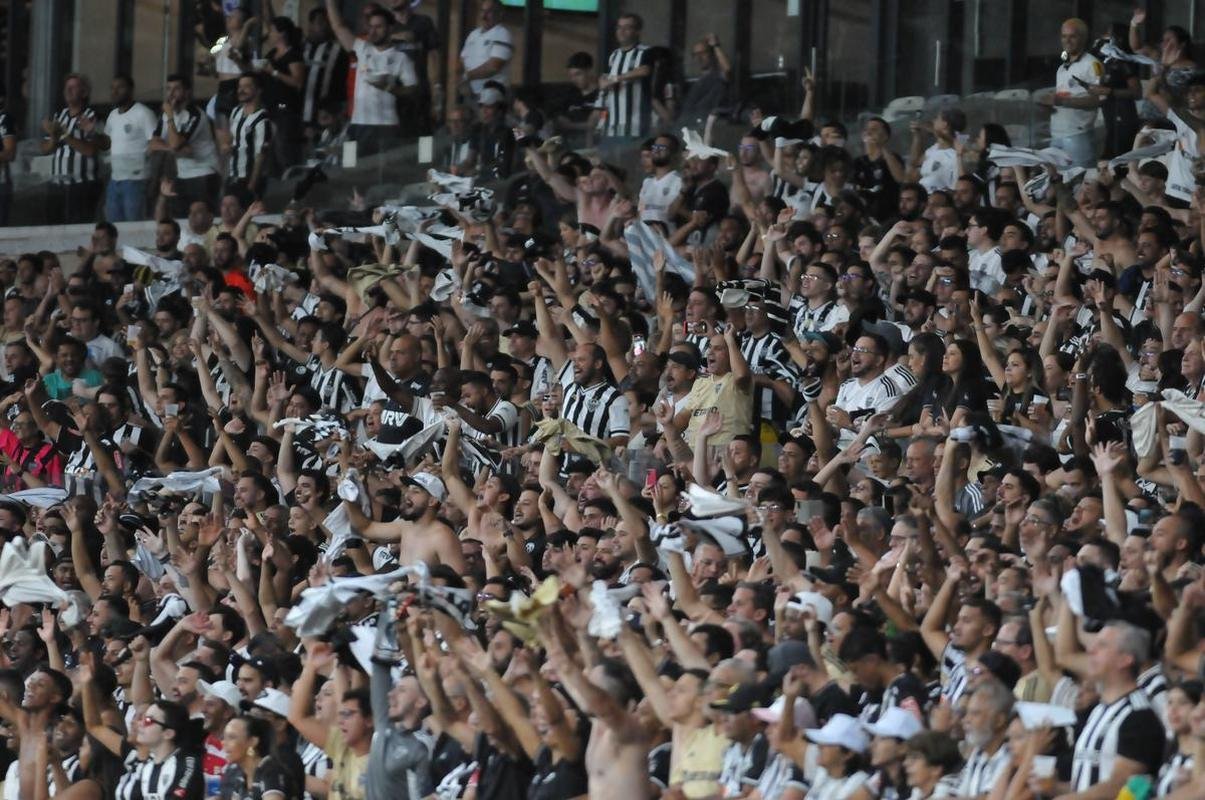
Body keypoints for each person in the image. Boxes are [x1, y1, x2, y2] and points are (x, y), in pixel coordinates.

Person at [325, 0, 417, 158]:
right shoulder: (362, 48)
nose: (373, 31)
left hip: (386, 125)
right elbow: (338, 27)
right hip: (359, 124)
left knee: (383, 169)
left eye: (378, 27)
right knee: (353, 167)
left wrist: (389, 88)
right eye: (371, 27)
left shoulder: (400, 58)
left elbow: (412, 90)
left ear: (390, 29)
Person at [40, 72, 102, 224]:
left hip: (82, 184)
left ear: (84, 92)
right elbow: (45, 149)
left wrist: (64, 134)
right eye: (67, 87)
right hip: (58, 184)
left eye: (73, 87)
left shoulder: (91, 116)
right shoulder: (58, 116)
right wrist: (54, 135)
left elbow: (90, 150)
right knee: (53, 225)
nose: (68, 91)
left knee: (77, 226)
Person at [1041, 17, 1103, 168]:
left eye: (1072, 36)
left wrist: (1063, 101)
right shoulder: (1062, 67)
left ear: (1083, 38)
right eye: (1064, 36)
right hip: (1056, 134)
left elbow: (1099, 99)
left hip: (1078, 135)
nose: (1067, 41)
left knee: (1080, 180)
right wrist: (1049, 103)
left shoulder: (1093, 64)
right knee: (1055, 180)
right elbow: (1063, 97)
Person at [96, 74, 156, 222]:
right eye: (112, 88)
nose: (115, 92)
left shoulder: (143, 113)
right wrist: (93, 132)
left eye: (120, 87)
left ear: (131, 90)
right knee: (113, 226)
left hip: (136, 180)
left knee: (134, 225)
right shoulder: (112, 115)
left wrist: (149, 174)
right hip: (115, 179)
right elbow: (106, 144)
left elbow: (155, 144)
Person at [598, 13, 652, 143]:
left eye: (627, 27)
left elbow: (645, 70)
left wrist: (616, 79)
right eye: (619, 27)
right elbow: (604, 80)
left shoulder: (645, 52)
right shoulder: (614, 55)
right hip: (612, 124)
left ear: (637, 31)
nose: (621, 31)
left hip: (636, 124)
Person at [221, 72, 272, 204]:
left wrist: (251, 186)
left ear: (258, 90)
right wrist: (227, 145)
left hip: (249, 178)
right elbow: (231, 137)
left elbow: (261, 155)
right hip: (233, 175)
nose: (241, 90)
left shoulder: (262, 119)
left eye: (247, 86)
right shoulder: (236, 111)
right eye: (240, 86)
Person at [458, 0, 513, 102]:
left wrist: (467, 76)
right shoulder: (473, 34)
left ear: (499, 14)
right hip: (471, 94)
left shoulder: (502, 34)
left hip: (494, 97)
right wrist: (463, 82)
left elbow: (493, 67)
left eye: (489, 12)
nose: (484, 16)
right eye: (482, 11)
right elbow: (462, 60)